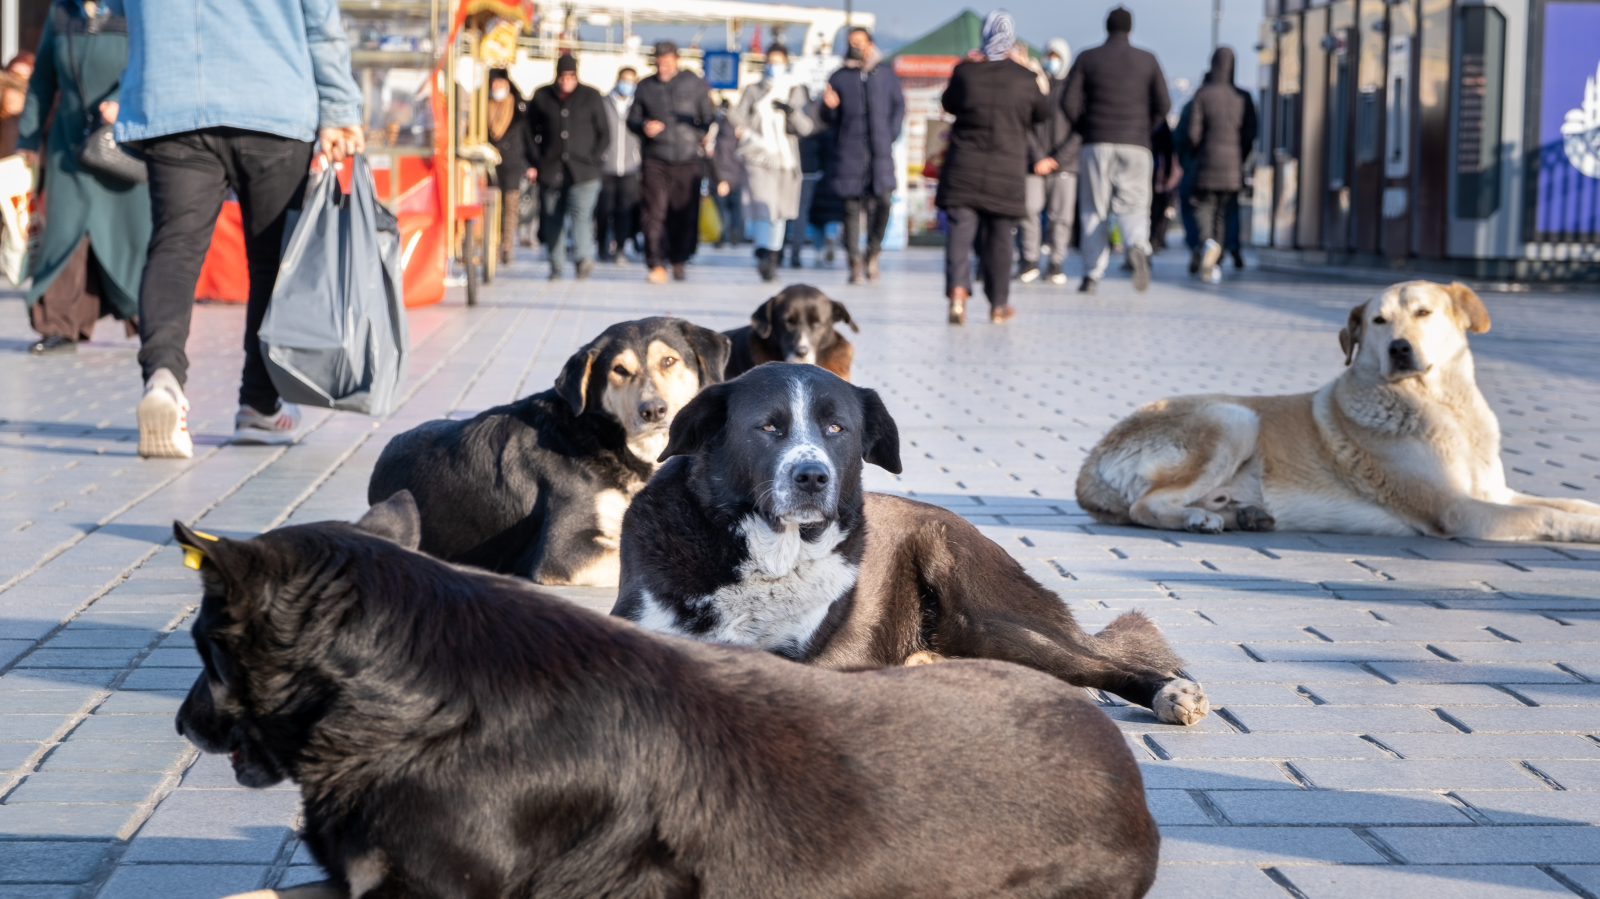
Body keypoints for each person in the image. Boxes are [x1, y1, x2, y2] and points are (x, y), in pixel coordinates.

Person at [111, 0, 363, 458]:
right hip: (272, 100)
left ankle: (163, 379)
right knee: (271, 262)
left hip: (172, 97)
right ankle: (259, 405)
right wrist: (340, 107)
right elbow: (320, 21)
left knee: (173, 248)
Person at [15, 3, 147, 357]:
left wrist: (121, 100)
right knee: (64, 233)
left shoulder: (135, 7)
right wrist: (28, 138)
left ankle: (151, 321)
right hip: (68, 147)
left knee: (131, 234)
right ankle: (59, 326)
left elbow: (153, 63)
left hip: (122, 143)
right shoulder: (62, 11)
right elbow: (42, 80)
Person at [936, 11, 1049, 325]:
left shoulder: (966, 72)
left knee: (959, 235)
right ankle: (998, 305)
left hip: (963, 169)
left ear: (984, 34)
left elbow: (948, 103)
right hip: (1006, 172)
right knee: (1000, 240)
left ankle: (958, 294)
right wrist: (1028, 69)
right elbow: (1043, 112)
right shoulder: (1025, 79)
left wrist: (968, 63)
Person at [1061, 5, 1169, 294]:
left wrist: (1087, 128)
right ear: (1130, 30)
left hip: (1096, 142)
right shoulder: (1148, 59)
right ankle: (1136, 245)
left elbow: (1068, 103)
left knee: (1093, 210)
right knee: (1134, 205)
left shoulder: (1087, 57)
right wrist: (1144, 129)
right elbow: (1164, 104)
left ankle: (1091, 275)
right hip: (1136, 143)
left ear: (1106, 27)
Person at [819, 27, 904, 284]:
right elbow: (829, 120)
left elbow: (898, 105)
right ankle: (854, 261)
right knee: (851, 209)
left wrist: (889, 134)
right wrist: (828, 107)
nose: (856, 46)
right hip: (850, 152)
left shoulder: (885, 73)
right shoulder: (839, 76)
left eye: (860, 41)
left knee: (884, 202)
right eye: (851, 42)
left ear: (870, 43)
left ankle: (873, 252)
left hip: (880, 152)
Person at [629, 40, 715, 284]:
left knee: (684, 213)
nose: (662, 68)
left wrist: (698, 136)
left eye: (666, 62)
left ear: (676, 60)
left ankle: (679, 259)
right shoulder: (645, 86)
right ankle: (656, 263)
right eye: (658, 63)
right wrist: (644, 126)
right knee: (653, 213)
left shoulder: (693, 83)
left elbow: (709, 115)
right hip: (655, 158)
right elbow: (632, 120)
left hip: (688, 159)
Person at [730, 44, 816, 282]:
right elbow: (739, 118)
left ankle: (771, 257)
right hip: (758, 156)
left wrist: (791, 111)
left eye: (779, 62)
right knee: (763, 205)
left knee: (778, 212)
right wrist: (728, 110)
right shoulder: (753, 89)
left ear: (786, 63)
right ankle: (763, 251)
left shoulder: (796, 90)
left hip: (786, 161)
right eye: (771, 62)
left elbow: (806, 128)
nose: (774, 67)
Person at [528, 54, 609, 281]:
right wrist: (535, 161)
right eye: (563, 77)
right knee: (552, 217)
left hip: (584, 172)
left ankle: (583, 259)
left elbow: (604, 133)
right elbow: (529, 132)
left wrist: (593, 158)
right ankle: (556, 263)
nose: (566, 81)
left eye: (571, 76)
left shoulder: (591, 96)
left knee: (581, 215)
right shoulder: (542, 96)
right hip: (550, 169)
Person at [1186, 45, 1256, 283]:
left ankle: (1207, 243)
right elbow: (1250, 133)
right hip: (1233, 165)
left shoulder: (1202, 94)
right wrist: (1240, 156)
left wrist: (1196, 152)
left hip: (1206, 162)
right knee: (1224, 213)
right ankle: (1216, 260)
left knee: (1202, 207)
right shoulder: (1243, 97)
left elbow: (1192, 134)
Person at [1019, 37, 1078, 286]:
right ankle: (1029, 260)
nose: (1051, 61)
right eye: (1048, 56)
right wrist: (1038, 156)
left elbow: (1080, 129)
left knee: (1061, 217)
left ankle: (1056, 262)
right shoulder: (1035, 85)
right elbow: (1024, 124)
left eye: (1056, 57)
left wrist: (1057, 159)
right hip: (1034, 163)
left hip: (1065, 164)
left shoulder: (1074, 90)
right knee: (1028, 210)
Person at [486, 70, 534, 266]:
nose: (496, 88)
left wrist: (531, 163)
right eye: (493, 84)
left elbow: (528, 136)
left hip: (512, 162)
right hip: (489, 164)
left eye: (500, 84)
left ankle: (506, 247)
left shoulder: (518, 107)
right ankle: (491, 245)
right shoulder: (482, 105)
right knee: (491, 207)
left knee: (510, 207)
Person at [596, 66, 640, 262]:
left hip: (630, 167)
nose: (627, 85)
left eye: (631, 81)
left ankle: (620, 247)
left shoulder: (637, 106)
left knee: (624, 209)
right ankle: (601, 245)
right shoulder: (604, 103)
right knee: (604, 209)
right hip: (607, 165)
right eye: (624, 80)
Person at [710, 98, 745, 247]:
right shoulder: (740, 137)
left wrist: (719, 180)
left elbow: (714, 158)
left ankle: (721, 236)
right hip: (737, 178)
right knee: (735, 209)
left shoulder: (719, 136)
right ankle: (735, 234)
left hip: (721, 178)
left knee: (721, 211)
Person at [0, 52, 35, 158]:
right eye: (14, 75)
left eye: (25, 77)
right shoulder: (5, 93)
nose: (18, 80)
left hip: (31, 157)